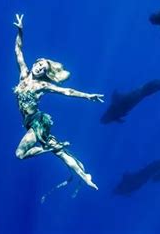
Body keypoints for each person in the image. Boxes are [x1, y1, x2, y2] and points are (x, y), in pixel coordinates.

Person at [12, 13, 103, 190]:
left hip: (37, 123)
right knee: (59, 153)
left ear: (45, 73)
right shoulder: (23, 75)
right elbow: (18, 51)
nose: (39, 68)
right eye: (39, 64)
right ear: (36, 62)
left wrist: (87, 96)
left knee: (20, 154)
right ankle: (85, 177)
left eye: (43, 68)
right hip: (30, 123)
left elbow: (66, 91)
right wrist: (20, 31)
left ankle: (64, 159)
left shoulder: (42, 84)